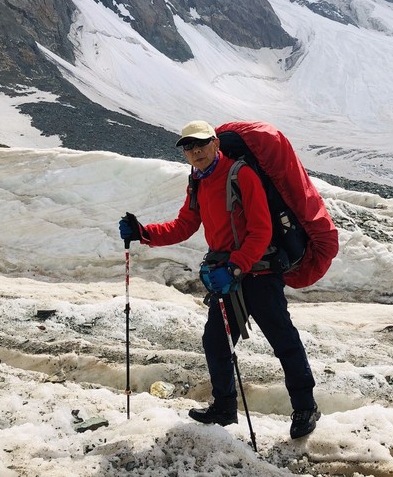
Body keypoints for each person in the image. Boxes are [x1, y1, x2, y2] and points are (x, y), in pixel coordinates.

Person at [119, 120, 320, 439]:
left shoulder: (242, 175)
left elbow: (261, 231)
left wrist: (236, 266)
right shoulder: (198, 181)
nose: (195, 151)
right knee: (216, 341)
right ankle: (225, 407)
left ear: (215, 143)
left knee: (283, 341)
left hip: (259, 273)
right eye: (188, 147)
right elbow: (185, 224)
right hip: (226, 276)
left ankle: (305, 408)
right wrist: (144, 233)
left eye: (200, 144)